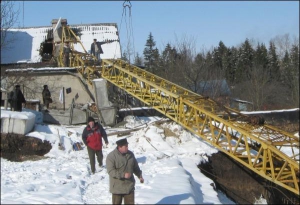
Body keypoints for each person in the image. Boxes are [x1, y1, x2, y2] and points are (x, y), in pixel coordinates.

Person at [106, 138, 144, 205]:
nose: (127, 148)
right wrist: (123, 175)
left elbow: (135, 167)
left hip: (129, 186)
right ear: (119, 147)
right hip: (117, 188)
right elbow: (111, 171)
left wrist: (140, 175)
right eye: (125, 146)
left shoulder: (130, 154)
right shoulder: (111, 156)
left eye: (127, 146)